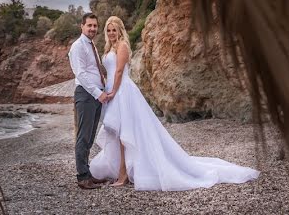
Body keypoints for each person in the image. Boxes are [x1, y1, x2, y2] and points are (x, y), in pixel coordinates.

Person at [89, 15, 260, 189]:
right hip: (113, 91)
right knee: (118, 134)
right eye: (109, 30)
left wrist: (112, 92)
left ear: (120, 31)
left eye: (114, 30)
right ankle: (122, 170)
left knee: (125, 134)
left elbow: (118, 72)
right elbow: (109, 72)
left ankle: (124, 174)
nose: (111, 33)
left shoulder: (123, 46)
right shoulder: (110, 47)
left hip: (121, 92)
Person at [68, 12, 111, 189]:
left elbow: (94, 70)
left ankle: (87, 173)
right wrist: (96, 92)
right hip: (86, 95)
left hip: (95, 95)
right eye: (89, 25)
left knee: (90, 136)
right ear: (82, 26)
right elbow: (81, 74)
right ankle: (82, 177)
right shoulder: (78, 46)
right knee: (83, 137)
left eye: (95, 25)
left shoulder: (91, 44)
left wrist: (104, 89)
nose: (92, 28)